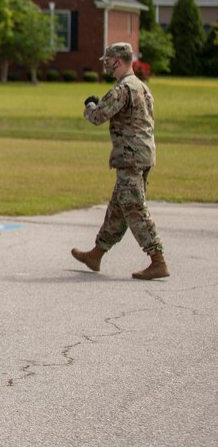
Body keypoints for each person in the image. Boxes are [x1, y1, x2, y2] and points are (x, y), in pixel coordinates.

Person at [71, 43, 169, 279]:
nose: (106, 64)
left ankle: (158, 260)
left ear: (119, 61)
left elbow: (97, 117)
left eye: (109, 60)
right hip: (143, 155)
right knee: (118, 207)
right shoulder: (142, 88)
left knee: (133, 207)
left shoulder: (123, 88)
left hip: (130, 157)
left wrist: (89, 105)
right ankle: (96, 254)